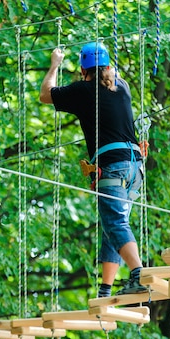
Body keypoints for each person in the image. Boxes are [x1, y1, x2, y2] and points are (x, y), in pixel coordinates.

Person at [39, 42, 147, 297]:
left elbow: (46, 94)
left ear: (82, 70)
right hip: (135, 169)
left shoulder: (83, 89)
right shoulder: (122, 86)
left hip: (114, 168)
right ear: (109, 65)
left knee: (115, 223)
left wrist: (55, 64)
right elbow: (110, 73)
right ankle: (106, 289)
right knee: (113, 225)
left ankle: (139, 273)